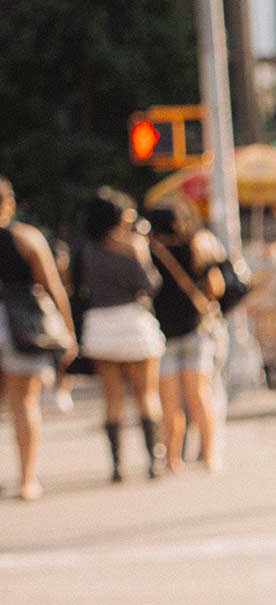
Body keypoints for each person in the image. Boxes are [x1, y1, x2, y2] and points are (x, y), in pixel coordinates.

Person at [72, 188, 166, 479]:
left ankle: (117, 466)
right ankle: (154, 461)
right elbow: (151, 285)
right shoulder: (132, 246)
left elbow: (78, 290)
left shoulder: (86, 249)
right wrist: (141, 255)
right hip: (133, 322)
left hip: (100, 326)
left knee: (112, 399)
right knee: (146, 394)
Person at [0, 177, 75, 500]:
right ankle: (27, 479)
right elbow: (53, 286)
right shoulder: (26, 238)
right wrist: (68, 332)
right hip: (21, 326)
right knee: (24, 403)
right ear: (9, 203)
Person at [146, 204, 227, 473]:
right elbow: (217, 288)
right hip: (196, 330)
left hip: (163, 335)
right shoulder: (197, 247)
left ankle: (172, 459)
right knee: (200, 395)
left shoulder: (149, 252)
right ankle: (208, 455)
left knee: (169, 402)